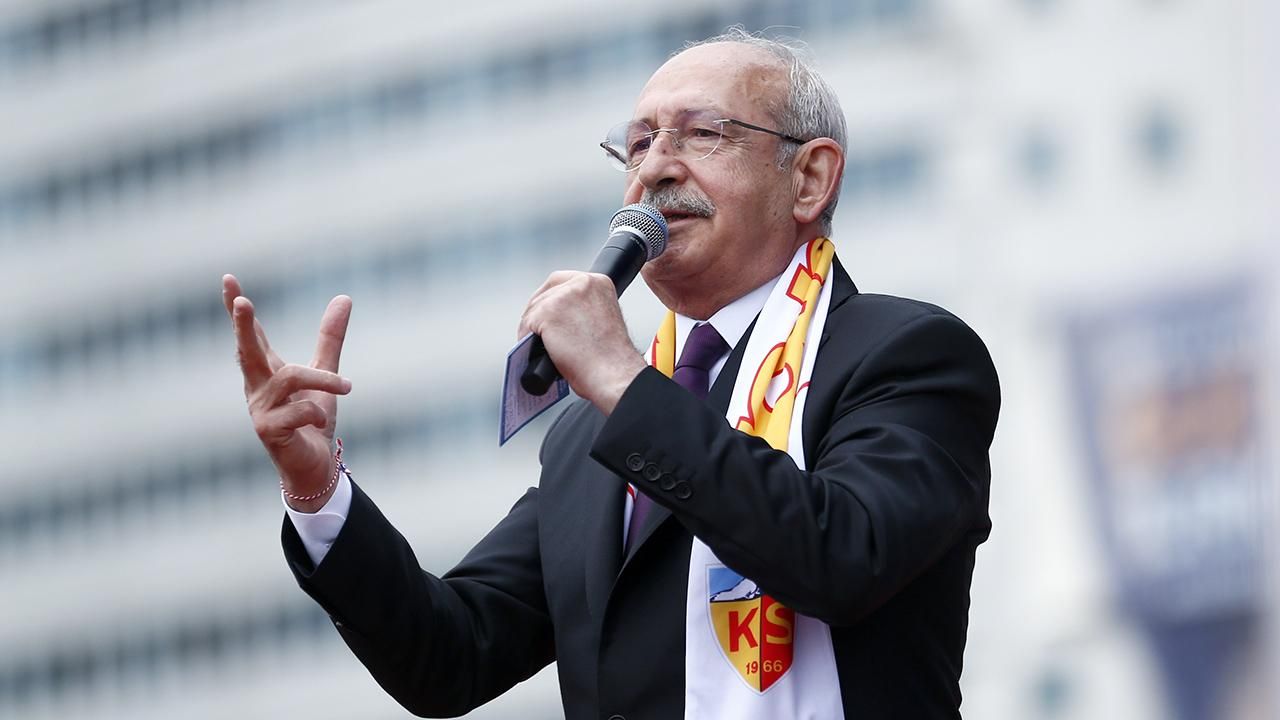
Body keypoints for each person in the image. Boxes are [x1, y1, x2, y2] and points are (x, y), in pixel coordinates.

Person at [224, 29, 999, 720]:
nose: (655, 168)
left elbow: (843, 556)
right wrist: (317, 489)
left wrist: (620, 379)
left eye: (702, 134)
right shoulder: (591, 433)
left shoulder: (906, 355)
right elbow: (450, 654)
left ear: (809, 178)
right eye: (636, 144)